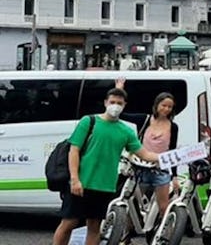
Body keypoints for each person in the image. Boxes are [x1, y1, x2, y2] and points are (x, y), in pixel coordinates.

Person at [52, 86, 161, 245]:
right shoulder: (89, 122)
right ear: (105, 102)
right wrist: (75, 179)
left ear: (124, 106)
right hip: (81, 183)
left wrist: (169, 157)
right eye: (112, 102)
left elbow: (144, 154)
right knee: (69, 223)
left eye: (119, 103)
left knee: (94, 226)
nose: (115, 106)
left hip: (105, 186)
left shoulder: (126, 131)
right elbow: (73, 151)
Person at [118, 80, 179, 223]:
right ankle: (126, 235)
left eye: (170, 107)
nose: (166, 109)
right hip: (139, 168)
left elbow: (172, 151)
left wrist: (174, 176)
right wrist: (119, 90)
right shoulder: (144, 119)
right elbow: (121, 114)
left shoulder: (173, 127)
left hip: (160, 169)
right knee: (131, 204)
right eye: (163, 105)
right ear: (156, 105)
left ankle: (162, 234)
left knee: (164, 206)